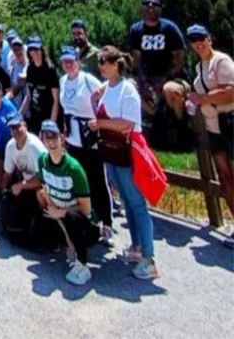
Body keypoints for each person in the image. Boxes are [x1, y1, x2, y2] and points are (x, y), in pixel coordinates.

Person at [91, 45, 159, 280]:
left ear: (115, 64)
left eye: (103, 62)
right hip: (112, 150)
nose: (100, 66)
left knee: (137, 203)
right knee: (127, 202)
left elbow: (127, 123)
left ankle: (149, 258)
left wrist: (100, 124)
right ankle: (136, 246)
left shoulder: (127, 89)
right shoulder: (107, 88)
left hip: (127, 151)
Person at [33, 120, 99, 286]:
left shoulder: (73, 168)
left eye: (54, 136)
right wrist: (66, 235)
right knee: (40, 226)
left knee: (71, 217)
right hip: (61, 214)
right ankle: (67, 245)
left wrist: (61, 214)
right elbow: (49, 197)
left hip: (84, 222)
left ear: (61, 138)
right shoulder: (42, 161)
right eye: (46, 137)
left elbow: (85, 209)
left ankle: (83, 264)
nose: (51, 141)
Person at [58, 46, 113, 244]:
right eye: (65, 61)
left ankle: (107, 223)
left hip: (90, 137)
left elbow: (108, 89)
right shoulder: (63, 81)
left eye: (71, 61)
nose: (68, 65)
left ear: (78, 62)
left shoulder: (87, 80)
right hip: (73, 139)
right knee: (80, 181)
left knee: (98, 181)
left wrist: (98, 119)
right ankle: (87, 220)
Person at [185, 24, 234, 246]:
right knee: (224, 176)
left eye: (201, 39)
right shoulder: (199, 67)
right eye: (194, 41)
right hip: (213, 127)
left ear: (209, 39)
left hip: (229, 122)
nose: (198, 44)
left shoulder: (222, 61)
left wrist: (202, 99)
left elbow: (230, 92)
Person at [127, 0, 188, 122]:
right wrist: (145, 81)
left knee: (170, 90)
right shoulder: (136, 30)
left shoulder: (169, 28)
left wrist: (165, 78)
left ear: (160, 9)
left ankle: (181, 123)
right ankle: (156, 117)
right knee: (128, 86)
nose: (150, 6)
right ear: (141, 9)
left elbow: (180, 59)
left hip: (171, 77)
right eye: (146, 4)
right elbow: (136, 60)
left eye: (154, 4)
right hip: (147, 77)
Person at [0, 115, 46, 246]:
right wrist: (3, 193)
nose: (15, 131)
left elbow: (43, 179)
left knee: (40, 194)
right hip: (26, 185)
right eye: (11, 128)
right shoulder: (10, 146)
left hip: (43, 186)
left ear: (24, 125)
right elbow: (7, 174)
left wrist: (21, 185)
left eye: (17, 127)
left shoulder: (35, 146)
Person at [21, 35, 59, 134]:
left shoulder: (50, 70)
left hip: (48, 117)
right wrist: (19, 114)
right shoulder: (30, 69)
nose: (35, 52)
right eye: (31, 49)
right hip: (34, 118)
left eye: (37, 49)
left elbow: (56, 100)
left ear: (42, 50)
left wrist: (52, 125)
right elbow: (28, 97)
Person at [7, 36, 27, 109]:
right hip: (15, 105)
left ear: (23, 49)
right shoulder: (12, 64)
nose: (17, 52)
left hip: (25, 107)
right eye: (15, 50)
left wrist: (5, 99)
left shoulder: (28, 65)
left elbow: (21, 81)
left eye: (19, 49)